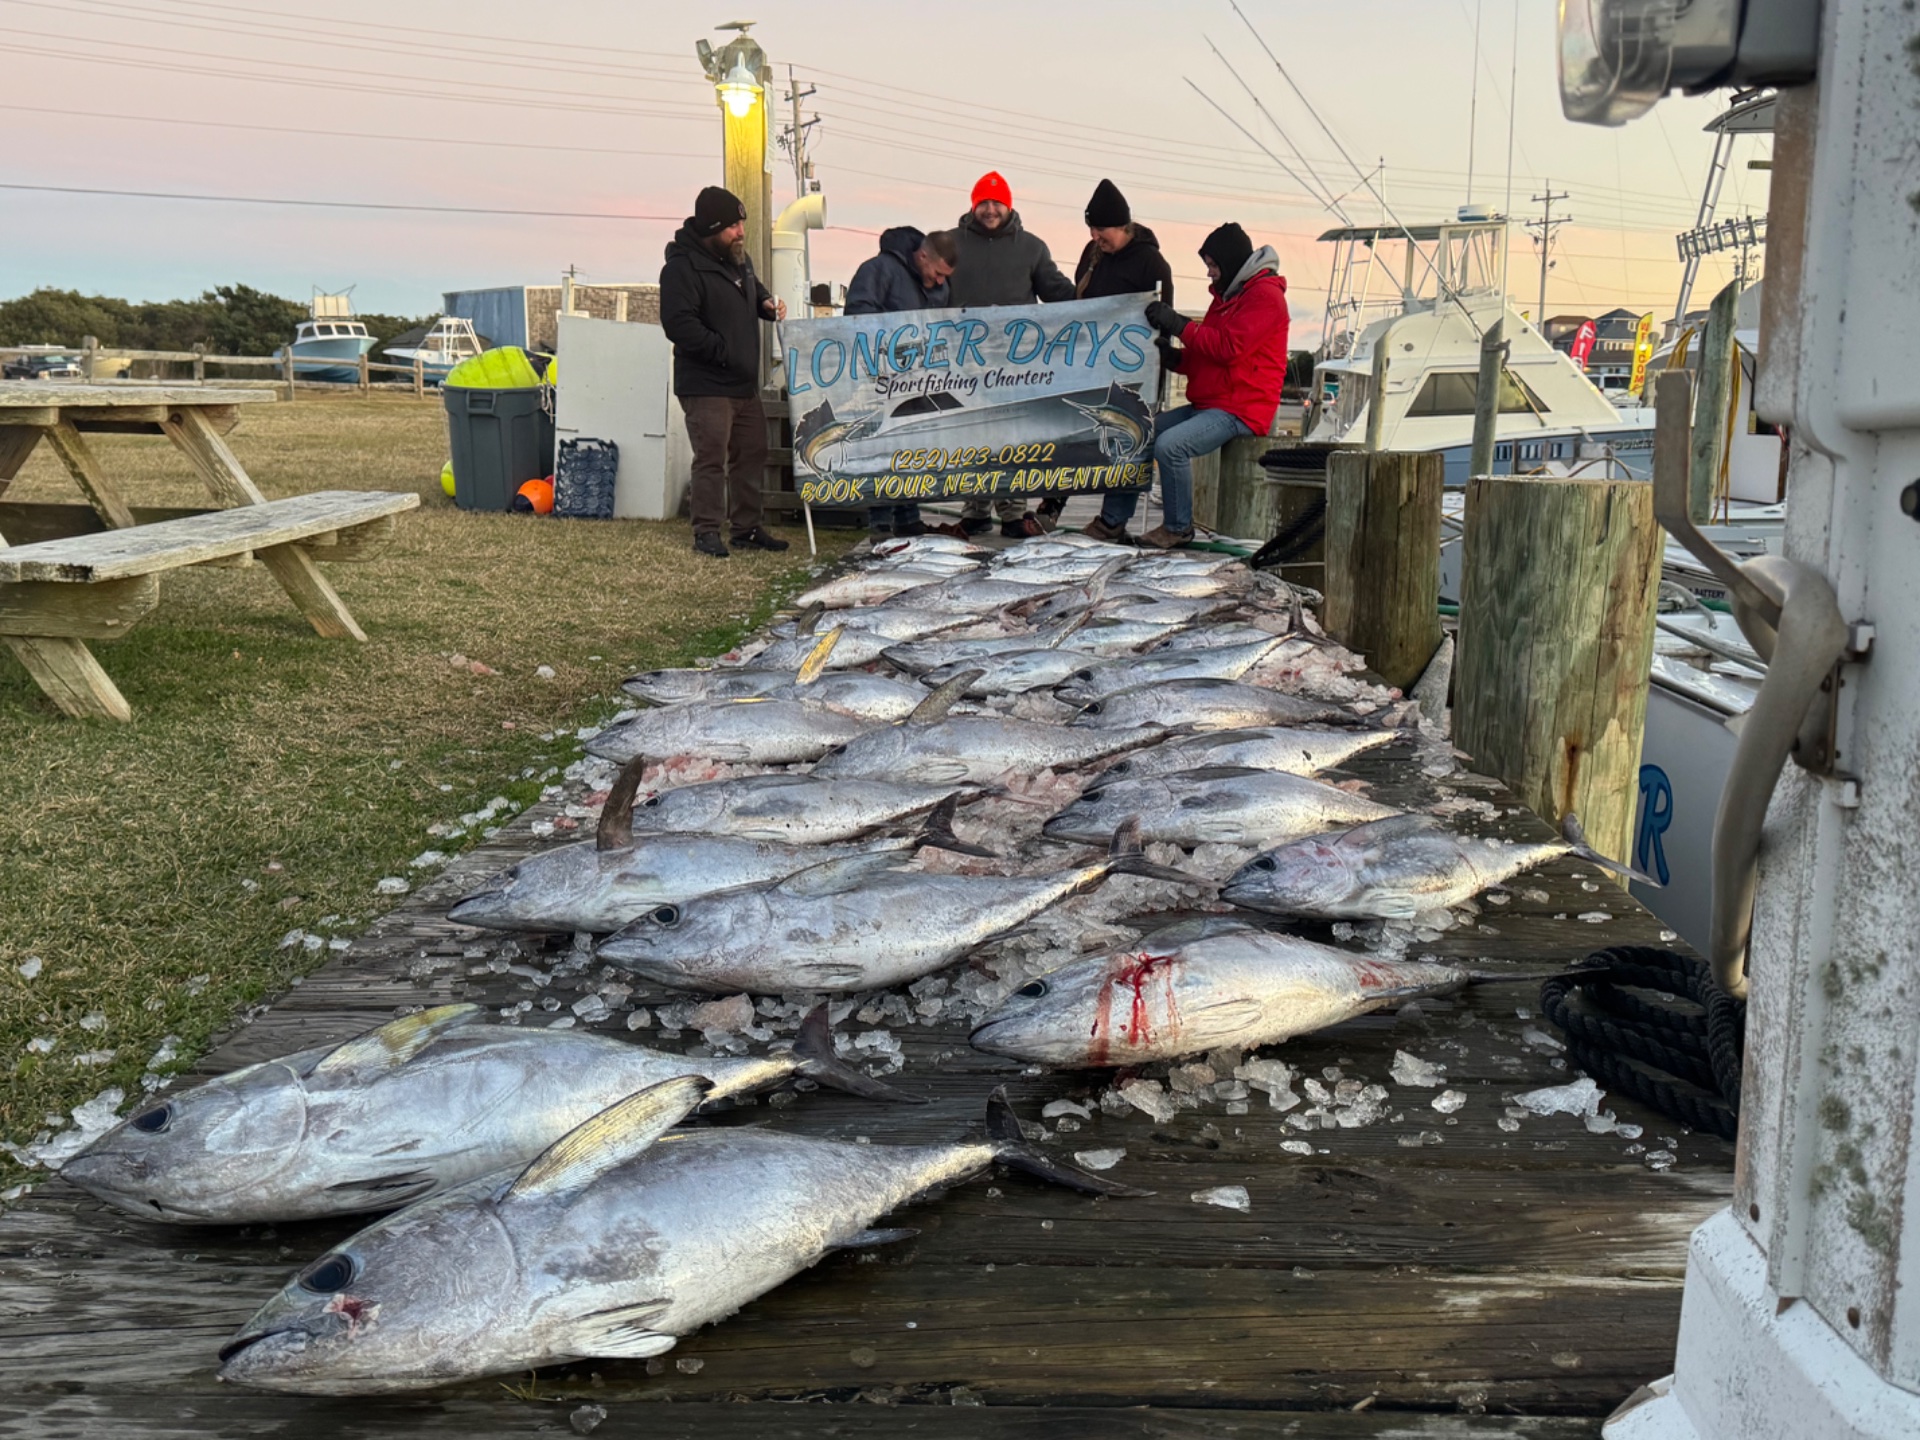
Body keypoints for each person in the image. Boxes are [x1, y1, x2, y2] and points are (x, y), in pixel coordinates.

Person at [1084, 222, 1290, 549]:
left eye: (1212, 264)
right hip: (1213, 402)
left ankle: (1179, 527)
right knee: (1136, 431)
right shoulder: (1227, 297)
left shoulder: (1265, 297)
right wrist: (1176, 359)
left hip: (1242, 408)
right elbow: (1208, 354)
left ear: (1231, 261)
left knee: (1171, 446)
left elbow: (1228, 348)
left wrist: (1178, 324)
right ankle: (1112, 521)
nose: (1209, 272)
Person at [1020, 179, 1177, 534]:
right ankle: (1051, 506)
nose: (1095, 236)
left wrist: (1159, 366)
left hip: (1132, 371)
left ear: (1123, 226)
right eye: (1091, 228)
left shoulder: (1152, 264)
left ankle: (1113, 520)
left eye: (1101, 229)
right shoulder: (1092, 256)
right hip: (1089, 364)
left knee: (1125, 440)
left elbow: (1164, 320)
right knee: (1071, 435)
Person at [659, 185, 790, 559]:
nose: (740, 232)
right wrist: (722, 350)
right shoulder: (681, 269)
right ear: (712, 227)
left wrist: (765, 302)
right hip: (706, 384)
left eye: (741, 223)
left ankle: (747, 528)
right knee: (711, 456)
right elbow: (678, 324)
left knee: (752, 452)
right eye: (732, 225)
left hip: (742, 383)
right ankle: (706, 530)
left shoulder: (738, 259)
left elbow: (751, 289)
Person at [943, 171, 1075, 538]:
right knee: (971, 437)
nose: (989, 210)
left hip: (1015, 364)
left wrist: (1101, 299)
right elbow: (931, 288)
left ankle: (1013, 513)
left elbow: (1056, 292)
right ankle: (975, 511)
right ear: (973, 205)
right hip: (961, 360)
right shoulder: (951, 243)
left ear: (1009, 205)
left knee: (1010, 437)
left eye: (996, 203)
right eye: (983, 202)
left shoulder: (1032, 247)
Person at [844, 227, 960, 540]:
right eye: (937, 274)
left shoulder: (939, 285)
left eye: (944, 277)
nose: (940, 282)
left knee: (912, 447)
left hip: (920, 380)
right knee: (882, 447)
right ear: (922, 256)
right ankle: (880, 522)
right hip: (881, 378)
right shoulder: (878, 269)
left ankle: (909, 516)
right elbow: (856, 313)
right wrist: (894, 341)